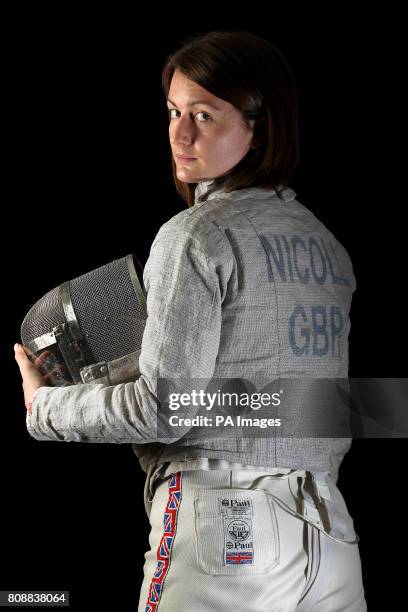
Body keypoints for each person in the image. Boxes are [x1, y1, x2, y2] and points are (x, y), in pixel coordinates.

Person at [15, 30, 367, 611]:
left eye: (204, 115)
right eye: (174, 111)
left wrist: (45, 408)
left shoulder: (196, 236)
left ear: (260, 127)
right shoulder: (326, 246)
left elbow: (165, 410)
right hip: (330, 537)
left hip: (227, 529)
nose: (181, 133)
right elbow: (320, 406)